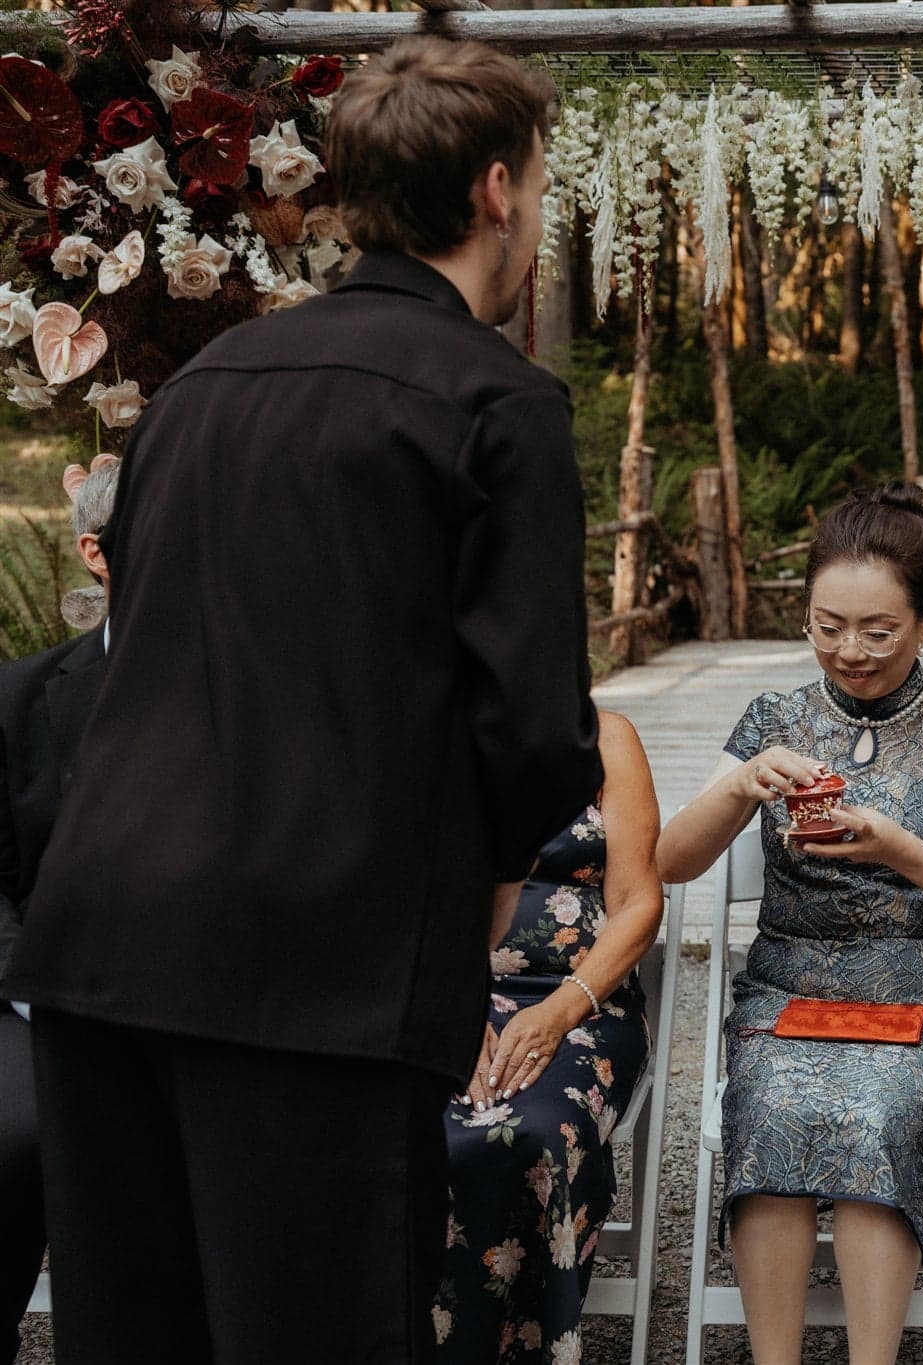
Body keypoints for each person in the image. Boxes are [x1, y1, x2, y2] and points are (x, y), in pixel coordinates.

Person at [1, 38, 602, 1364]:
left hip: (101, 948)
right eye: (543, 186)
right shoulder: (501, 404)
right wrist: (487, 889)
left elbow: (141, 650)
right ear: (499, 190)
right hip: (319, 972)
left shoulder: (199, 393)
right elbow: (534, 725)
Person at [657, 484, 923, 1365]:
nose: (848, 651)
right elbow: (669, 860)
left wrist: (896, 844)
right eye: (827, 626)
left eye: (877, 630)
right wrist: (742, 784)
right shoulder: (773, 719)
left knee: (876, 1110)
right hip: (791, 989)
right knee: (770, 1103)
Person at [436, 710, 660, 1365]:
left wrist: (563, 1008)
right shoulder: (412, 722)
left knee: (532, 1125)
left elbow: (640, 900)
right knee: (410, 1117)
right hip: (442, 994)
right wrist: (447, 1005)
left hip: (583, 1001)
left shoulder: (606, 735)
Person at [0, 457, 118, 1364]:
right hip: (34, 1000)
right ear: (97, 555)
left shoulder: (257, 694)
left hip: (207, 1002)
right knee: (19, 1129)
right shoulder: (20, 697)